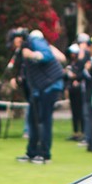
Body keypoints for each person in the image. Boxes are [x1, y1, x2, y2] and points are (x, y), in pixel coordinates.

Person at [17, 27, 63, 164]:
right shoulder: (26, 46)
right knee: (33, 119)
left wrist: (31, 54)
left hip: (50, 86)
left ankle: (44, 154)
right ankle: (32, 152)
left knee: (44, 120)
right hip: (39, 88)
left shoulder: (35, 41)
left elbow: (47, 55)